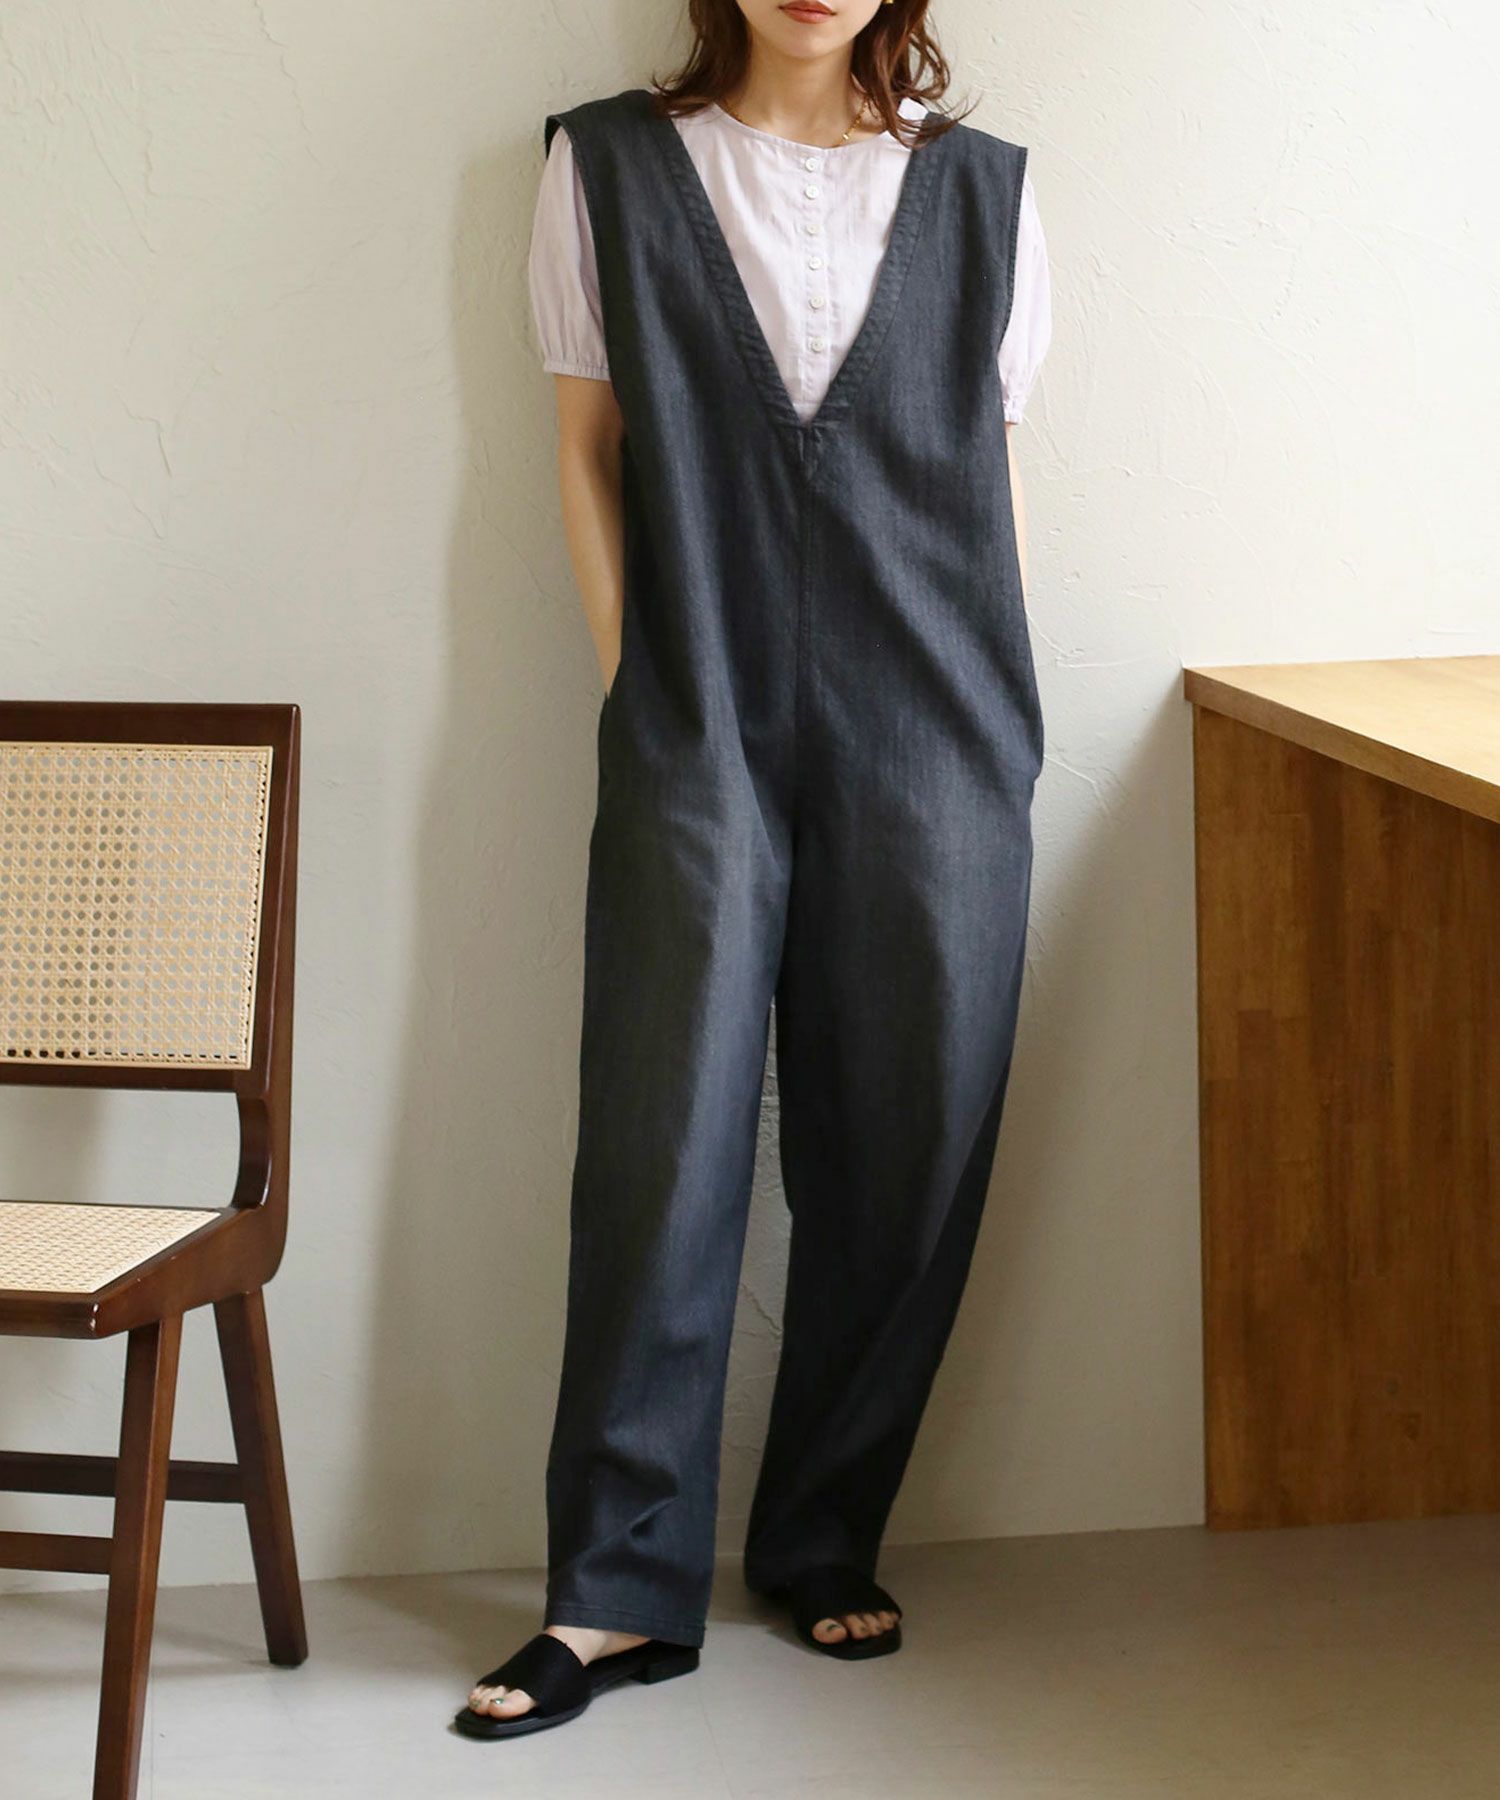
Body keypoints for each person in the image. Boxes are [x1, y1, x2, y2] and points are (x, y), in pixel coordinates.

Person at [457, 0, 1051, 1740]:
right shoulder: (607, 168)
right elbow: (584, 447)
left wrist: (997, 716)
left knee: (912, 1138)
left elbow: (990, 478)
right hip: (695, 712)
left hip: (938, 722)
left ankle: (820, 1532)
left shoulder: (990, 195)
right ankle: (611, 1593)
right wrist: (645, 689)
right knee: (664, 1139)